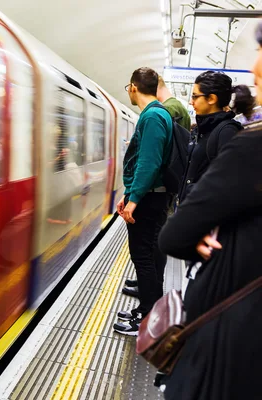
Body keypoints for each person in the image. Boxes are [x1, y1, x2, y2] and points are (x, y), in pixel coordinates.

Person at [157, 21, 262, 400]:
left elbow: (176, 234)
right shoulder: (217, 132)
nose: (254, 67)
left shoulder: (240, 141)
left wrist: (203, 221)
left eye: (261, 53)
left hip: (231, 338)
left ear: (212, 101)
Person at [113, 67, 173, 336]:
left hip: (149, 199)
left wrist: (133, 200)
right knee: (148, 255)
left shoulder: (152, 117)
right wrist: (129, 195)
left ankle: (148, 321)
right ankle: (147, 311)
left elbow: (149, 163)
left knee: (143, 257)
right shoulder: (157, 114)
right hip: (150, 196)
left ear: (134, 88)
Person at [178, 71, 242, 206]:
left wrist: (191, 191)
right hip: (191, 211)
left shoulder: (227, 132)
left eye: (195, 96)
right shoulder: (200, 130)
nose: (191, 102)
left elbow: (228, 184)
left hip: (203, 217)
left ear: (212, 99)